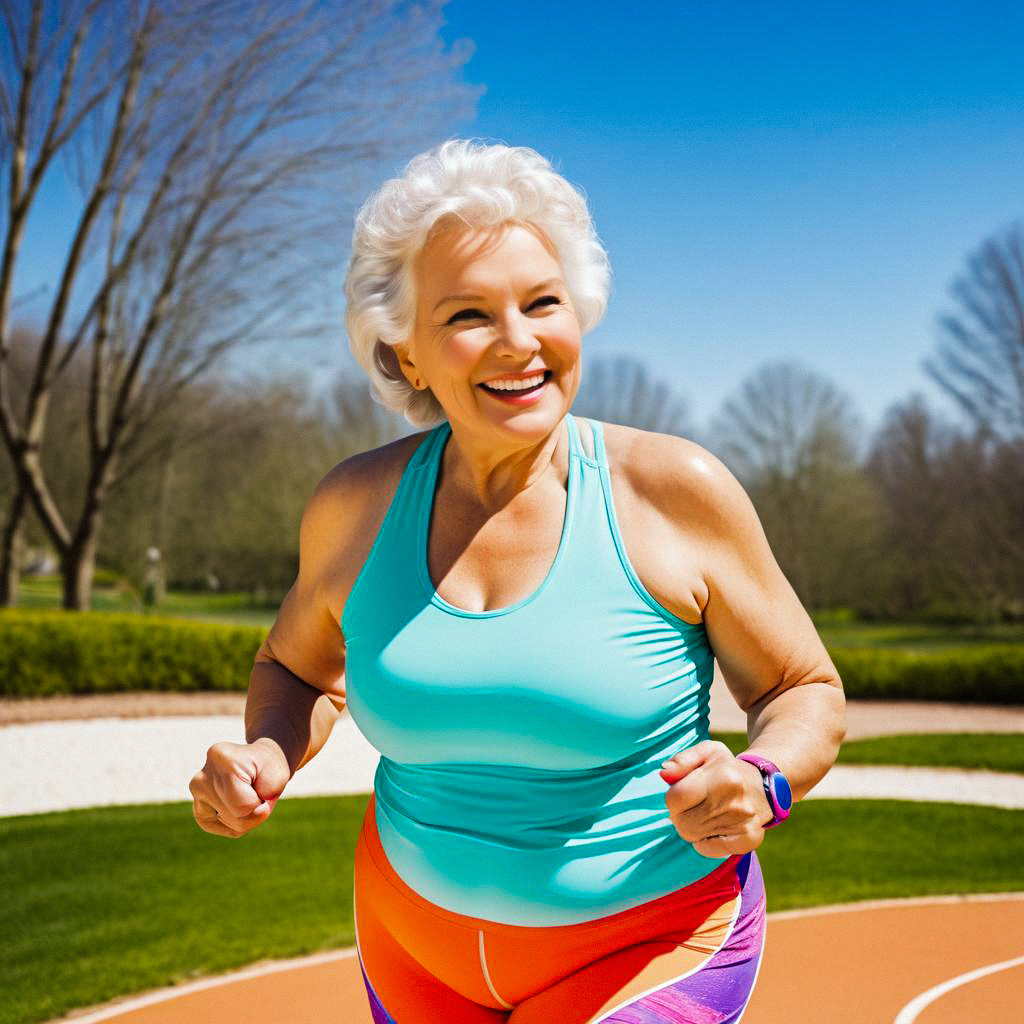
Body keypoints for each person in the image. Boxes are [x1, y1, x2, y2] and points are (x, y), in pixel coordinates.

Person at [189, 139, 847, 1022]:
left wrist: (764, 779)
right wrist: (268, 753)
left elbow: (802, 686)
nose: (519, 342)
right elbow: (298, 669)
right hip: (411, 948)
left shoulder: (674, 491)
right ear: (407, 354)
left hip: (650, 944)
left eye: (543, 303)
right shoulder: (353, 506)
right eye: (468, 315)